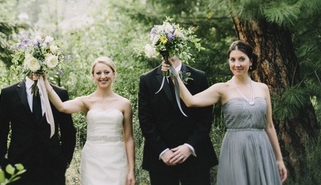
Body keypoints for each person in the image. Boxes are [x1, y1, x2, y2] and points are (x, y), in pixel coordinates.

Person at [166, 40, 287, 184]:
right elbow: (190, 101)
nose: (237, 64)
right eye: (233, 59)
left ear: (251, 61)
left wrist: (279, 159)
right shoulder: (222, 89)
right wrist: (174, 73)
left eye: (242, 59)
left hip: (262, 149)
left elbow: (269, 126)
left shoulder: (263, 88)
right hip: (236, 149)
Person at [44, 56, 136, 185]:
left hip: (117, 159)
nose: (102, 76)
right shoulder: (86, 101)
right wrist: (45, 82)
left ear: (114, 73)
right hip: (92, 159)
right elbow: (62, 107)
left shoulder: (124, 104)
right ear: (93, 76)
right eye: (98, 73)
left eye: (106, 72)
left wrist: (131, 170)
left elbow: (129, 139)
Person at [138, 52, 217, 185]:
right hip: (161, 159)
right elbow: (146, 120)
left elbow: (205, 118)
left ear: (179, 46)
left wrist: (189, 147)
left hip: (195, 156)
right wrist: (163, 151)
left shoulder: (199, 77)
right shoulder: (147, 79)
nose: (168, 51)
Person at [0, 66, 76, 185]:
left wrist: (64, 161)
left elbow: (68, 131)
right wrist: (2, 161)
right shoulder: (9, 93)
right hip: (18, 168)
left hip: (52, 169)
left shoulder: (60, 94)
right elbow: (0, 130)